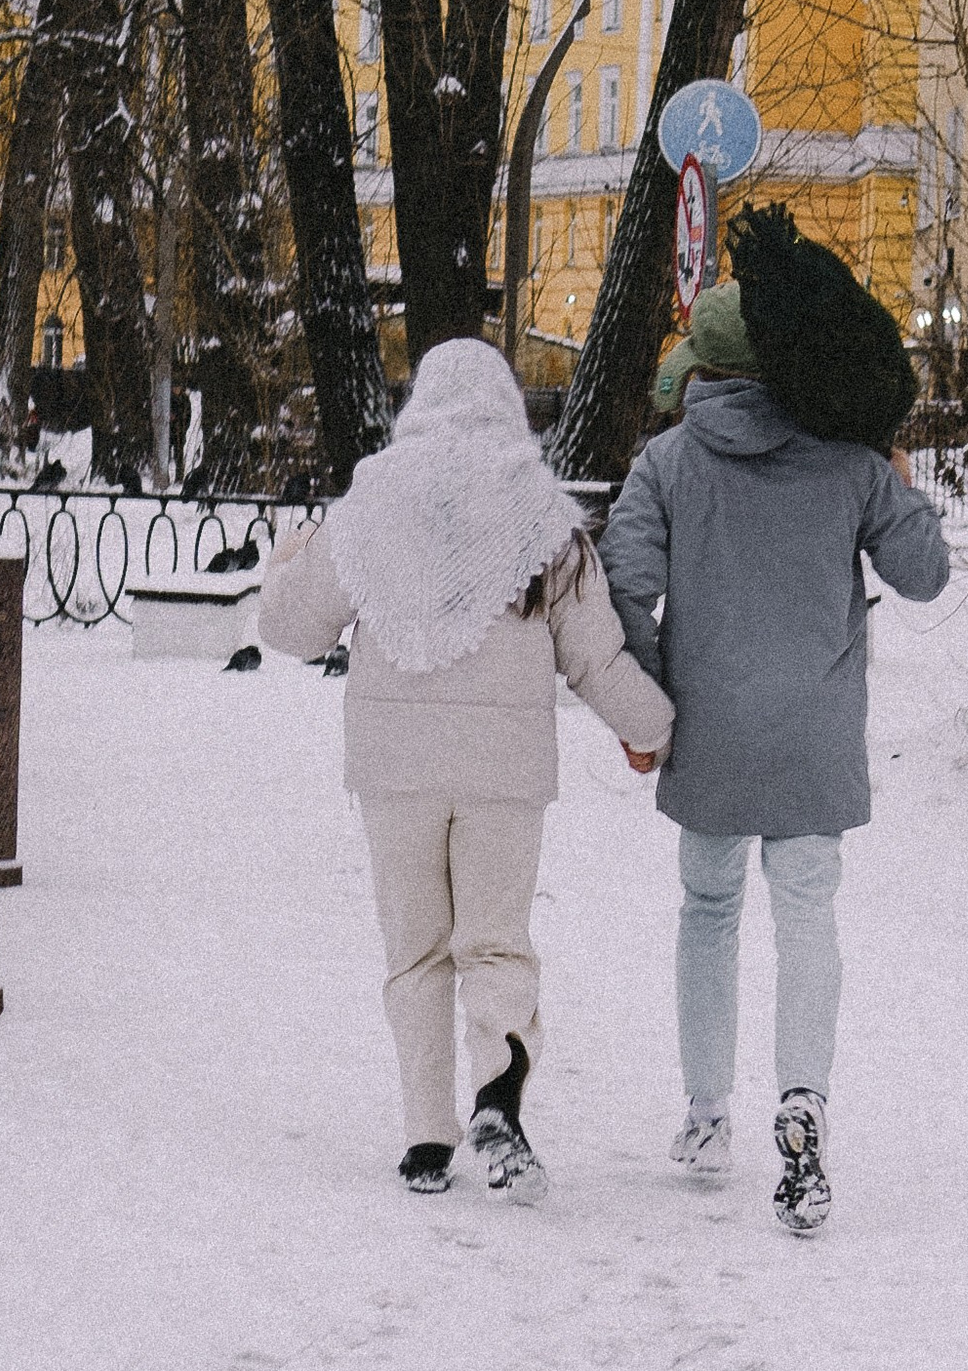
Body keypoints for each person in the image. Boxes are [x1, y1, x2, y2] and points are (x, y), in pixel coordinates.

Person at [600, 208, 949, 1236]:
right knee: (807, 913)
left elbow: (624, 587)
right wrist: (895, 480)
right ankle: (802, 1100)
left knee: (707, 910)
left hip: (706, 726)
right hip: (812, 732)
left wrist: (650, 700)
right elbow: (924, 576)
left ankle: (707, 1113)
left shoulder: (667, 465)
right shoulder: (848, 462)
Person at [265, 336, 673, 1201]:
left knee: (414, 952)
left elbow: (297, 630)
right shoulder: (541, 514)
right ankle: (497, 1090)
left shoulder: (369, 504)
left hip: (394, 770)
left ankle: (425, 1139)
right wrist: (654, 728)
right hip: (504, 775)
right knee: (495, 941)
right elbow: (595, 658)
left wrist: (286, 564)